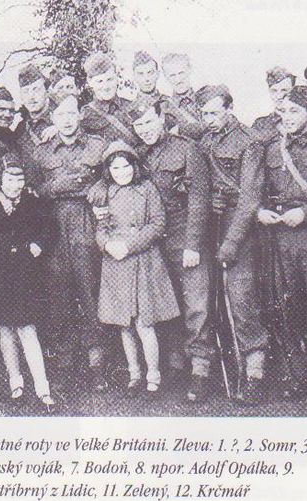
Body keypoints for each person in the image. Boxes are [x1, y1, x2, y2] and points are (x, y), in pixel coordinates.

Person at [127, 100, 215, 403]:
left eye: (149, 122)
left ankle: (201, 371)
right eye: (138, 126)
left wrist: (193, 244)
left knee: (196, 305)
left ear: (162, 118)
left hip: (184, 237)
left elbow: (199, 200)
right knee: (166, 305)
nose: (145, 130)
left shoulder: (186, 149)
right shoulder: (137, 157)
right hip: (154, 244)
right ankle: (177, 365)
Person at [256, 85, 307, 401]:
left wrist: (306, 213)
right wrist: (261, 212)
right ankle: (299, 375)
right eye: (284, 111)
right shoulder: (273, 150)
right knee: (287, 306)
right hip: (278, 238)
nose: (288, 117)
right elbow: (259, 192)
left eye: (295, 111)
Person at [196, 84, 270, 405]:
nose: (209, 119)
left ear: (229, 108)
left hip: (238, 227)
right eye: (204, 113)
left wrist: (232, 242)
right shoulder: (203, 141)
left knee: (241, 297)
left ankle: (255, 372)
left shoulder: (249, 141)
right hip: (210, 224)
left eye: (214, 112)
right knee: (209, 297)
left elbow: (250, 198)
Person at [33, 93, 111, 391]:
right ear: (53, 118)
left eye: (71, 113)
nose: (66, 119)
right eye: (60, 114)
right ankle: (64, 364)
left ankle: (97, 365)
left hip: (86, 221)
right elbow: (30, 187)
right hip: (53, 224)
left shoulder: (97, 145)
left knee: (91, 291)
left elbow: (112, 175)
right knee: (58, 295)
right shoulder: (41, 151)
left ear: (79, 115)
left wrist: (100, 186)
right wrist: (54, 186)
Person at [0, 153, 56, 412]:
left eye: (20, 178)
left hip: (24, 274)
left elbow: (49, 228)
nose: (16, 184)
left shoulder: (31, 202)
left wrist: (39, 244)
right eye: (10, 178)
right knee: (5, 329)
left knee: (27, 328)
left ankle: (42, 388)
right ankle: (15, 382)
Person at [92, 141, 180, 397]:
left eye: (126, 166)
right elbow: (101, 228)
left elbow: (157, 224)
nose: (122, 172)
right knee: (124, 324)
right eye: (116, 168)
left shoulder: (147, 189)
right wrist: (107, 245)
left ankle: (154, 377)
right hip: (116, 263)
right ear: (109, 171)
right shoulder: (105, 193)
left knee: (145, 322)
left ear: (134, 166)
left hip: (143, 260)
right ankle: (134, 375)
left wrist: (129, 246)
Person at [81, 52, 137, 145]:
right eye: (99, 81)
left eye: (110, 79)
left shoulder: (131, 106)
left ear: (117, 78)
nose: (106, 86)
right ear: (90, 82)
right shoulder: (86, 115)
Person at [160, 52, 205, 140]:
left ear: (189, 70)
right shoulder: (165, 109)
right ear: (165, 76)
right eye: (172, 75)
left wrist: (181, 129)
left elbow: (216, 125)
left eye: (181, 73)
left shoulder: (205, 98)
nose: (178, 80)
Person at [252, 67, 296, 144]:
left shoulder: (302, 121)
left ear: (293, 90)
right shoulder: (261, 125)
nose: (279, 96)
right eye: (274, 91)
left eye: (284, 90)